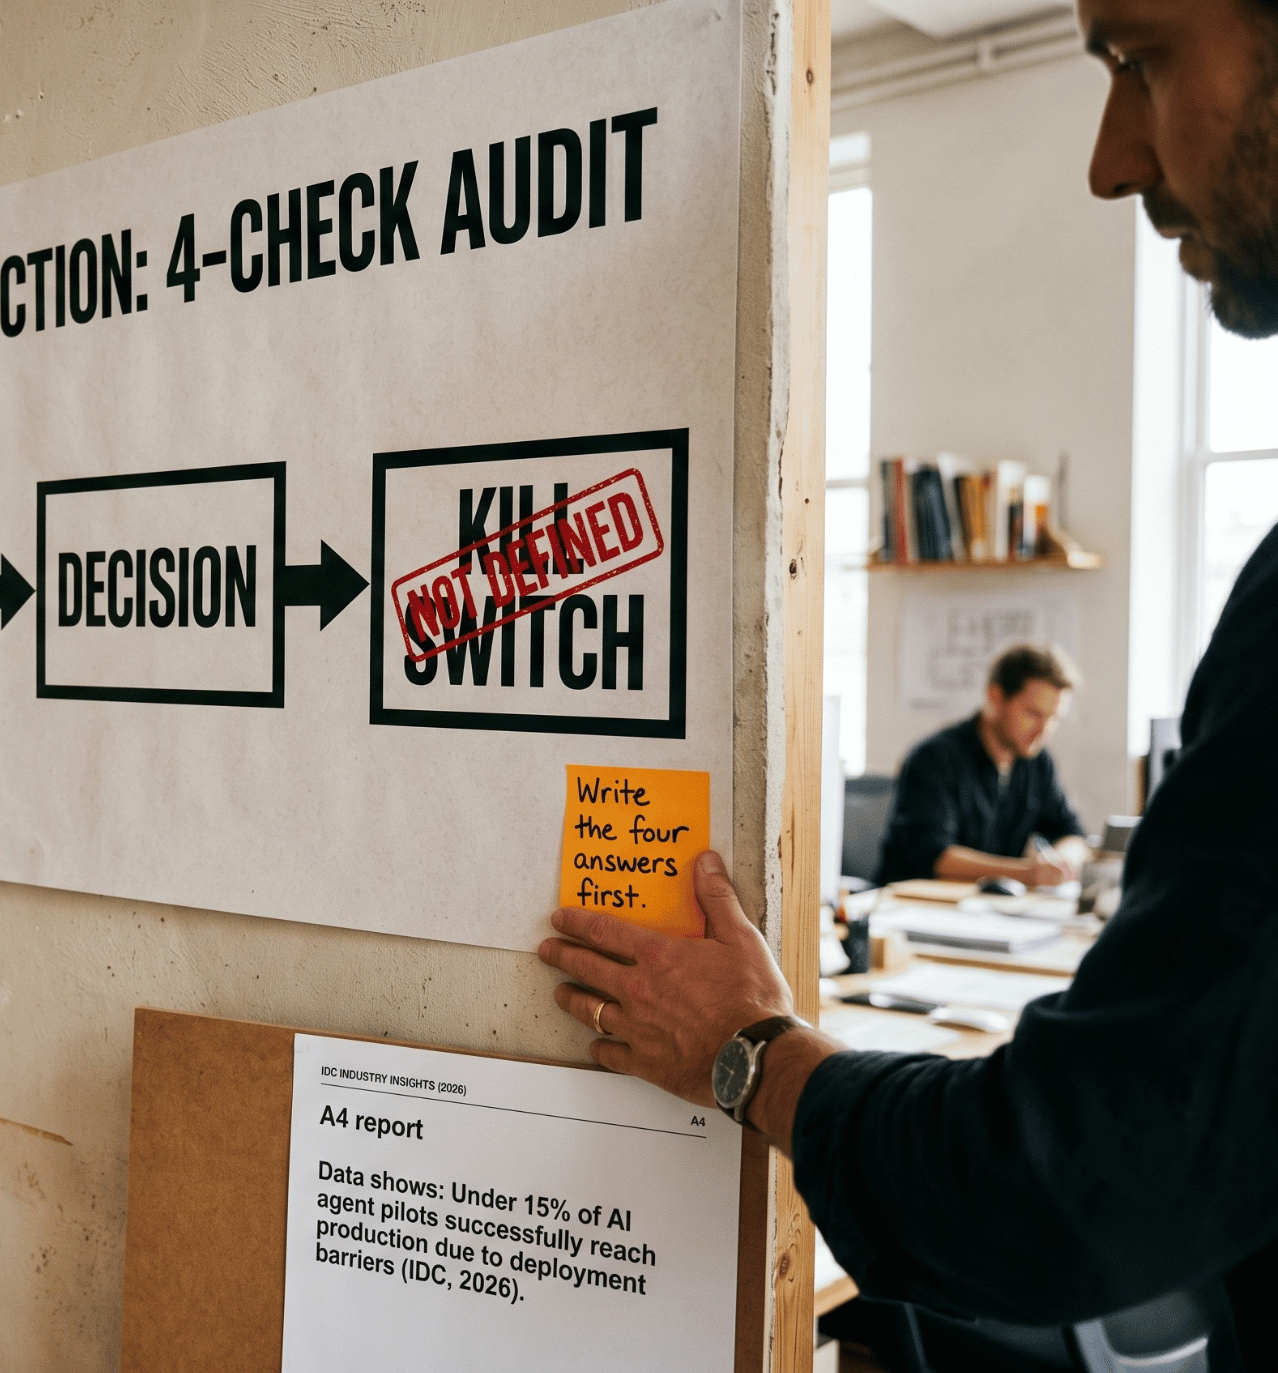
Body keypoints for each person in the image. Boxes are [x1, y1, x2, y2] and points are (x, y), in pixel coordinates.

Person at [537, 0, 1278, 1363]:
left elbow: (1068, 1175)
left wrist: (750, 1049)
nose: (1108, 160)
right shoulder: (947, 758)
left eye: (1139, 57)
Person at [876, 644, 1091, 887]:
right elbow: (934, 856)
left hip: (987, 903)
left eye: (1053, 718)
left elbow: (1072, 833)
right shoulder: (934, 758)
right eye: (1033, 714)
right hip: (915, 901)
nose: (1044, 730)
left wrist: (1064, 860)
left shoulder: (1037, 761)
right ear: (995, 697)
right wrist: (1028, 873)